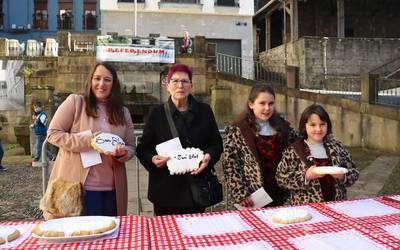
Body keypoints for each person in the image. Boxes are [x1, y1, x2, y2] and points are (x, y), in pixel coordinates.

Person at [43, 62, 135, 218]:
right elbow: (53, 133)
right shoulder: (76, 102)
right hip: (78, 187)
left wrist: (124, 153)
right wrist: (89, 141)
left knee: (109, 235)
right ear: (90, 80)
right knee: (78, 237)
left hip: (112, 188)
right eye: (97, 78)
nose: (101, 84)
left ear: (114, 84)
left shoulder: (123, 112)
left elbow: (131, 145)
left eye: (107, 79)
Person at [136, 63, 223, 216]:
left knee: (195, 235)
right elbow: (143, 148)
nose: (180, 85)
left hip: (196, 189)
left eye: (184, 81)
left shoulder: (204, 111)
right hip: (165, 191)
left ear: (191, 85)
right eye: (175, 81)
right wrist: (152, 159)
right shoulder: (156, 114)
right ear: (167, 85)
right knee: (166, 237)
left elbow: (216, 143)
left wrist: (209, 156)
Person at [222, 84, 297, 208]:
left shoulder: (283, 127)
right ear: (251, 104)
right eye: (262, 103)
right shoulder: (239, 129)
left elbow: (297, 150)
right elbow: (230, 164)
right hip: (253, 195)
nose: (267, 108)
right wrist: (240, 194)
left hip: (280, 191)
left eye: (271, 103)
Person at [276, 104, 359, 205]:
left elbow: (354, 172)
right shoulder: (294, 150)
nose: (318, 129)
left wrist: (343, 176)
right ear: (304, 126)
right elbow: (281, 178)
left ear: (327, 125)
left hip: (337, 206)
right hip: (307, 209)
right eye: (313, 125)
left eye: (322, 124)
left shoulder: (337, 147)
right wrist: (305, 176)